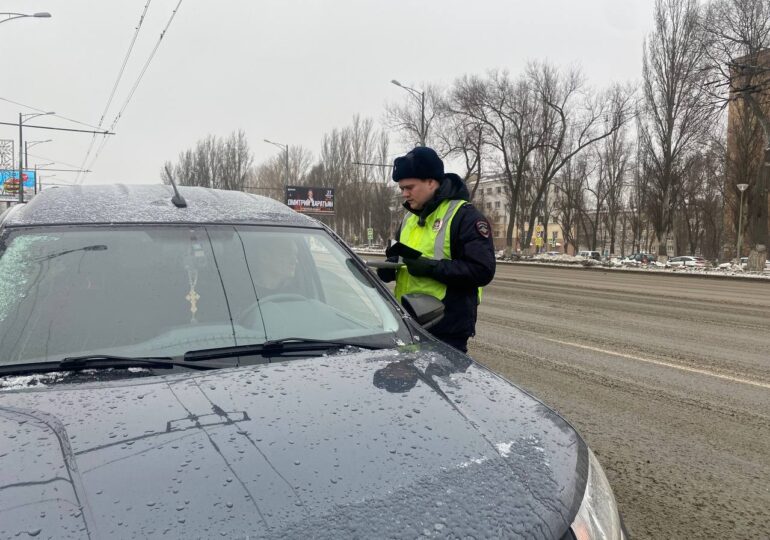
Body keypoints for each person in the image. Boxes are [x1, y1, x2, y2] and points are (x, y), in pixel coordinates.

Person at [377, 146, 496, 353]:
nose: (404, 194)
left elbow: (482, 270)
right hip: (408, 324)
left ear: (431, 182)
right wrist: (391, 267)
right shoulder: (409, 218)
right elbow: (406, 261)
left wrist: (430, 267)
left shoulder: (464, 216)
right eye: (401, 188)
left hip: (446, 329)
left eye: (410, 187)